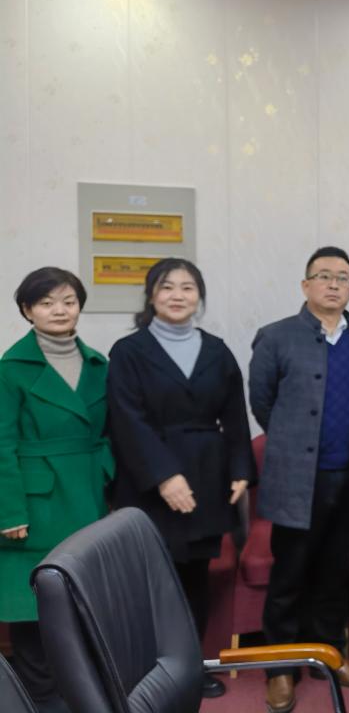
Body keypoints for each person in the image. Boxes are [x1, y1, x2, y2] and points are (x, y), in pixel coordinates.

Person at [106, 258, 255, 700]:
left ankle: (190, 668)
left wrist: (241, 470)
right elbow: (126, 420)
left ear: (199, 297)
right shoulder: (128, 351)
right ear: (151, 295)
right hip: (149, 485)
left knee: (195, 577)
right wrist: (164, 477)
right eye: (167, 286)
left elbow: (236, 416)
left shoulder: (217, 350)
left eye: (187, 287)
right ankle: (148, 673)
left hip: (207, 479)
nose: (177, 295)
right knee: (152, 581)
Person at [249, 247, 349, 711]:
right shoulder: (276, 336)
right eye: (324, 276)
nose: (334, 284)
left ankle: (330, 656)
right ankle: (280, 669)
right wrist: (295, 444)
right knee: (289, 575)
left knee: (333, 574)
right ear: (306, 285)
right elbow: (262, 402)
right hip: (298, 480)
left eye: (343, 277)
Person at [0, 267, 113, 712]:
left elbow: (110, 430)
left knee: (82, 601)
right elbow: (1, 443)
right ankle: (43, 701)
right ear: (27, 310)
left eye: (68, 301)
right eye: (46, 303)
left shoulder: (98, 363)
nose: (59, 310)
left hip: (87, 492)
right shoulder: (10, 368)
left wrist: (105, 472)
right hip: (36, 501)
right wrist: (9, 511)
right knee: (32, 605)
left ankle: (83, 695)